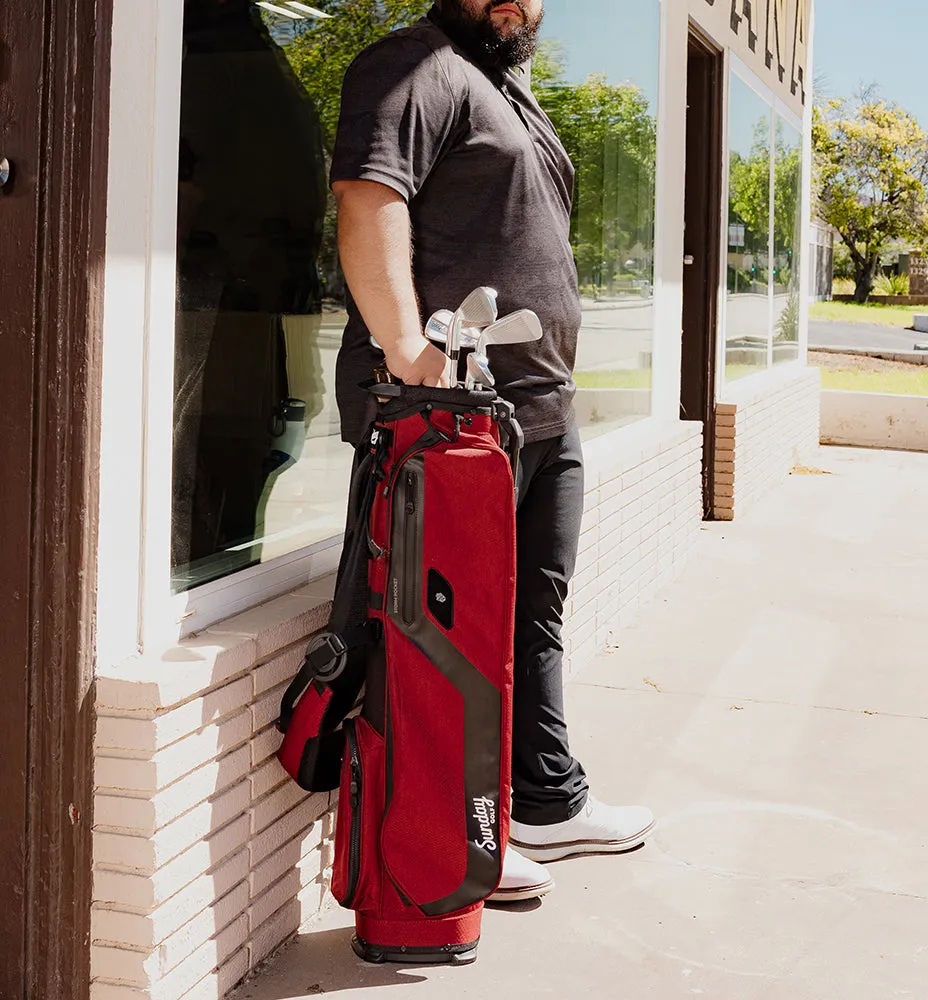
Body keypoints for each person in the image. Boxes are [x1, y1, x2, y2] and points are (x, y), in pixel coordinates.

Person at [330, 0, 655, 902]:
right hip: (453, 423)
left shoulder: (504, 88)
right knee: (440, 635)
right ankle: (453, 835)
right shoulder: (413, 65)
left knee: (532, 614)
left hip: (538, 411)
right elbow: (368, 197)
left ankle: (544, 798)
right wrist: (407, 351)